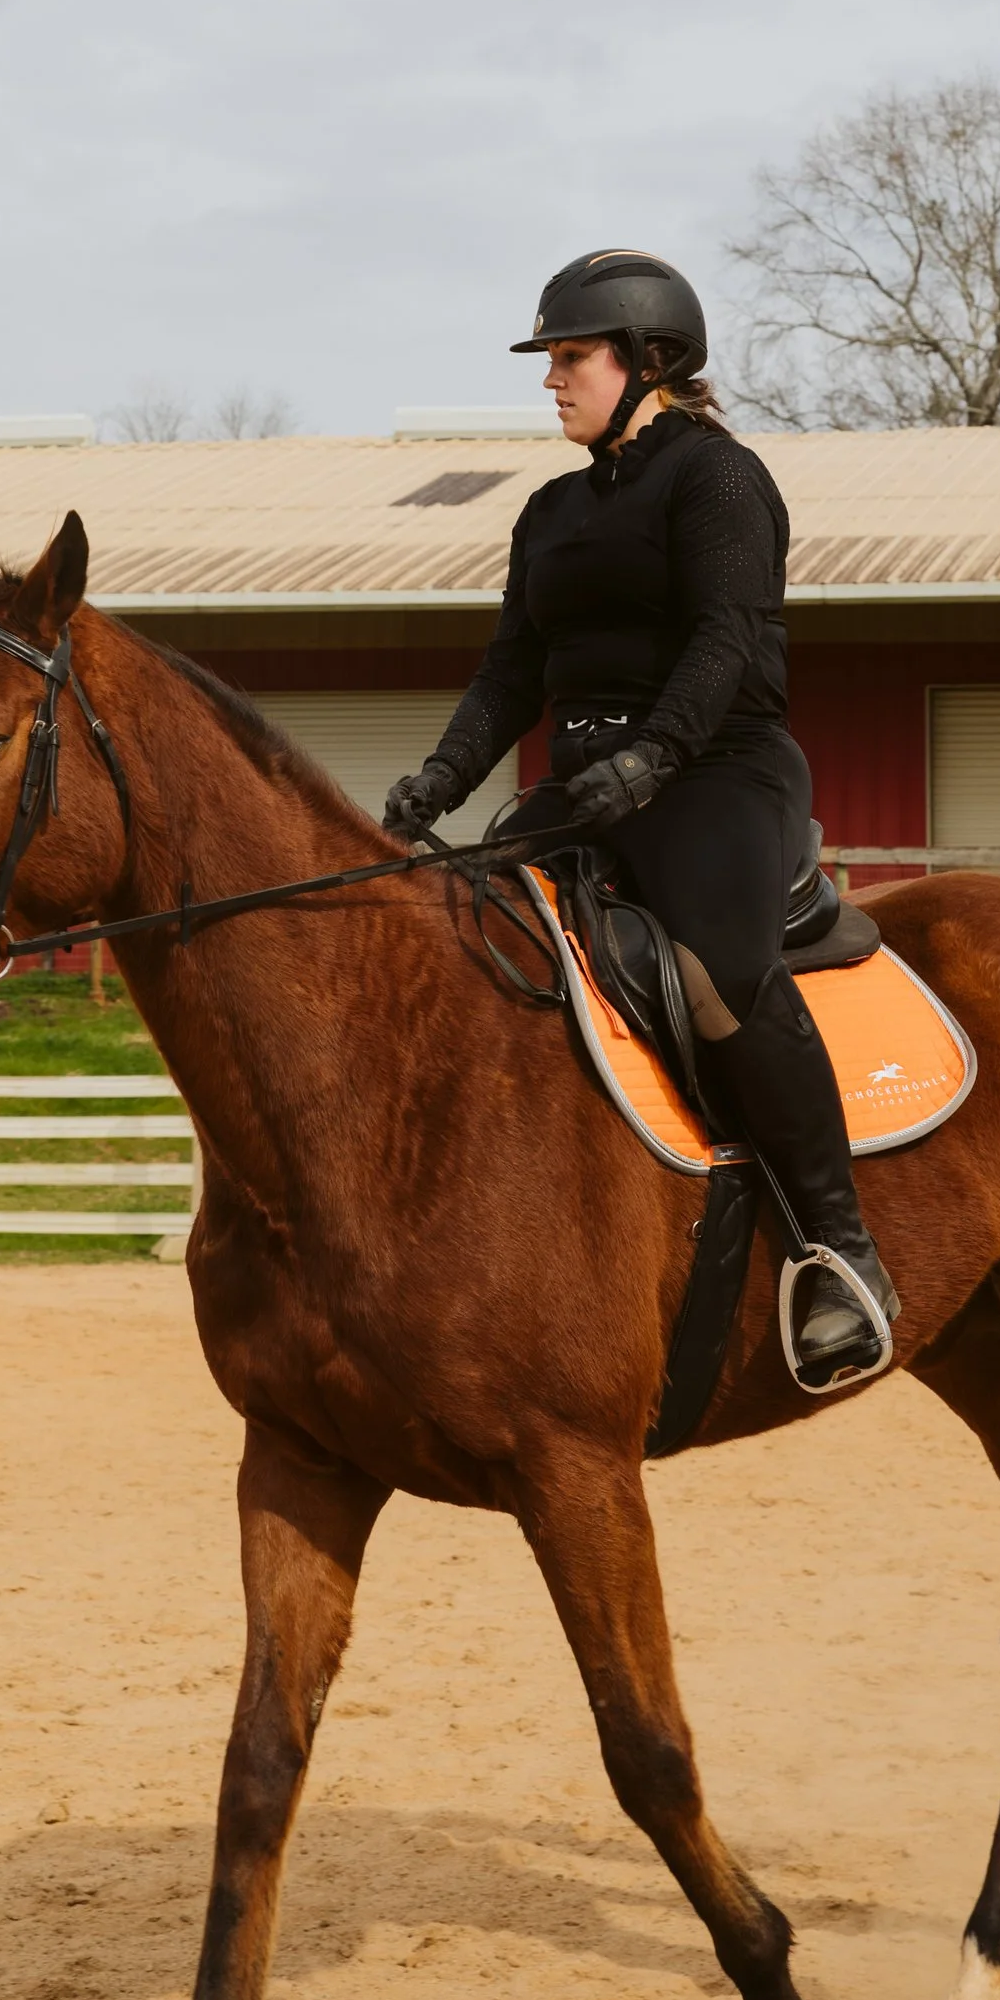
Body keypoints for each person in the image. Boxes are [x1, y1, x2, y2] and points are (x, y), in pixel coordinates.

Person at [384, 248, 899, 1387]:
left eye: (571, 358)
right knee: (458, 939)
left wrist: (659, 752)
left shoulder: (717, 480)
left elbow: (725, 640)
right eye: (550, 362)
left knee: (718, 969)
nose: (551, 381)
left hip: (716, 769)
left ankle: (835, 1245)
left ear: (649, 361)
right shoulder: (549, 510)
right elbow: (512, 671)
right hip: (583, 784)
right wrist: (441, 776)